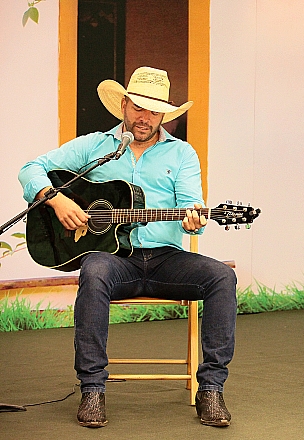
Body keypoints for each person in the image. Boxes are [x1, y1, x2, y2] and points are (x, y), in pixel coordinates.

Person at [18, 67, 237, 428]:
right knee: (94, 269)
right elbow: (31, 168)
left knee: (221, 277)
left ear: (164, 115)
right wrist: (57, 200)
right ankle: (92, 390)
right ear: (123, 105)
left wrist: (194, 218)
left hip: (166, 260)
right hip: (114, 260)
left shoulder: (182, 154)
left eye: (153, 111)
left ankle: (211, 389)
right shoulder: (95, 146)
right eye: (138, 107)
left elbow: (191, 205)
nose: (144, 117)